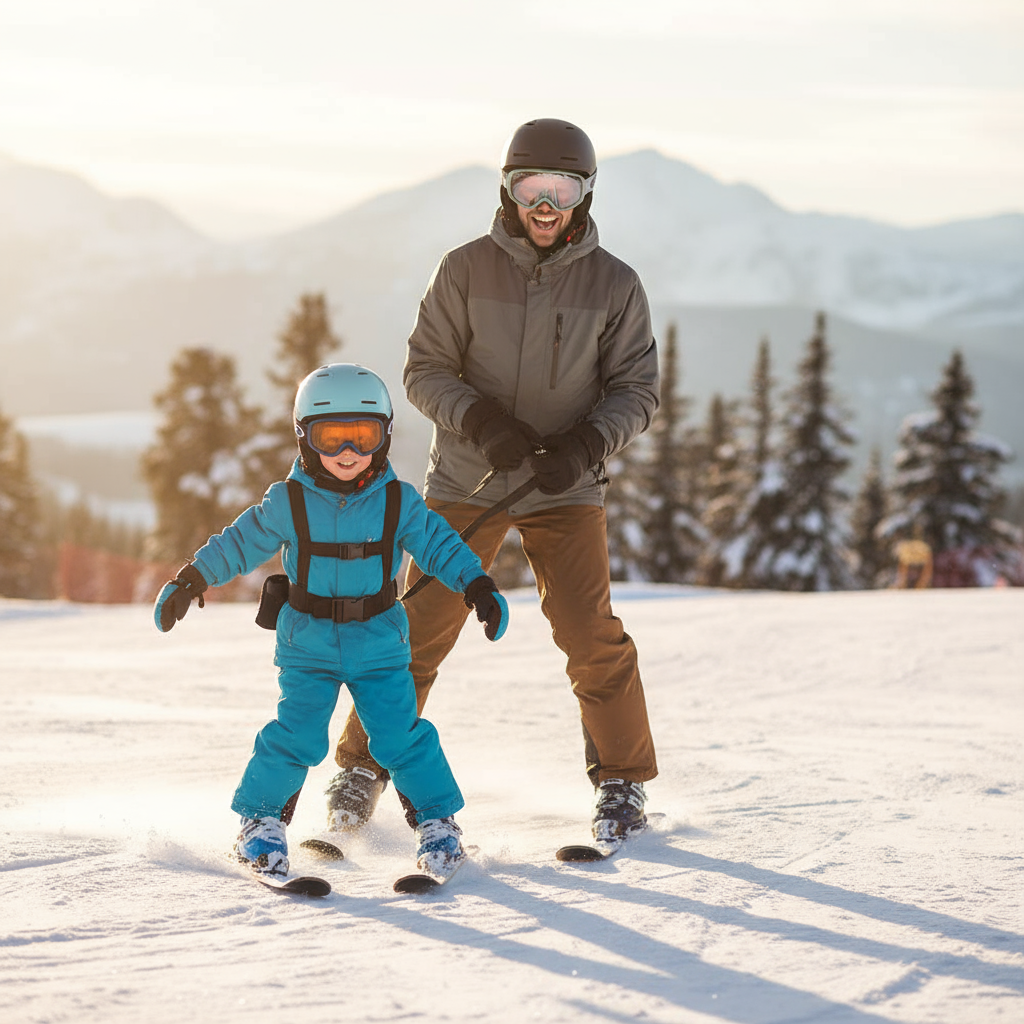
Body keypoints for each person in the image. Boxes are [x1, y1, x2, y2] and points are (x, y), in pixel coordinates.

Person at [327, 118, 660, 846]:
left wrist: (586, 443)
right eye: (530, 188)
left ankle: (622, 782)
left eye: (562, 189)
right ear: (508, 192)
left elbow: (637, 390)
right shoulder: (465, 269)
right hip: (471, 479)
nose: (546, 205)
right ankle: (361, 764)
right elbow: (424, 369)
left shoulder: (616, 285)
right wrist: (483, 422)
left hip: (566, 484)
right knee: (419, 625)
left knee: (588, 631)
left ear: (585, 194)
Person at [152, 363, 509, 882]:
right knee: (296, 734)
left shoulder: (398, 501)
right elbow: (239, 541)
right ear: (304, 437)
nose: (348, 453)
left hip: (380, 640)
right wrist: (192, 580)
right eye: (331, 437)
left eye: (362, 437)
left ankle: (437, 823)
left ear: (383, 436)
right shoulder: (288, 501)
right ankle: (260, 824)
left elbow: (439, 544)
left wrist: (478, 586)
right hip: (308, 642)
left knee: (399, 737)